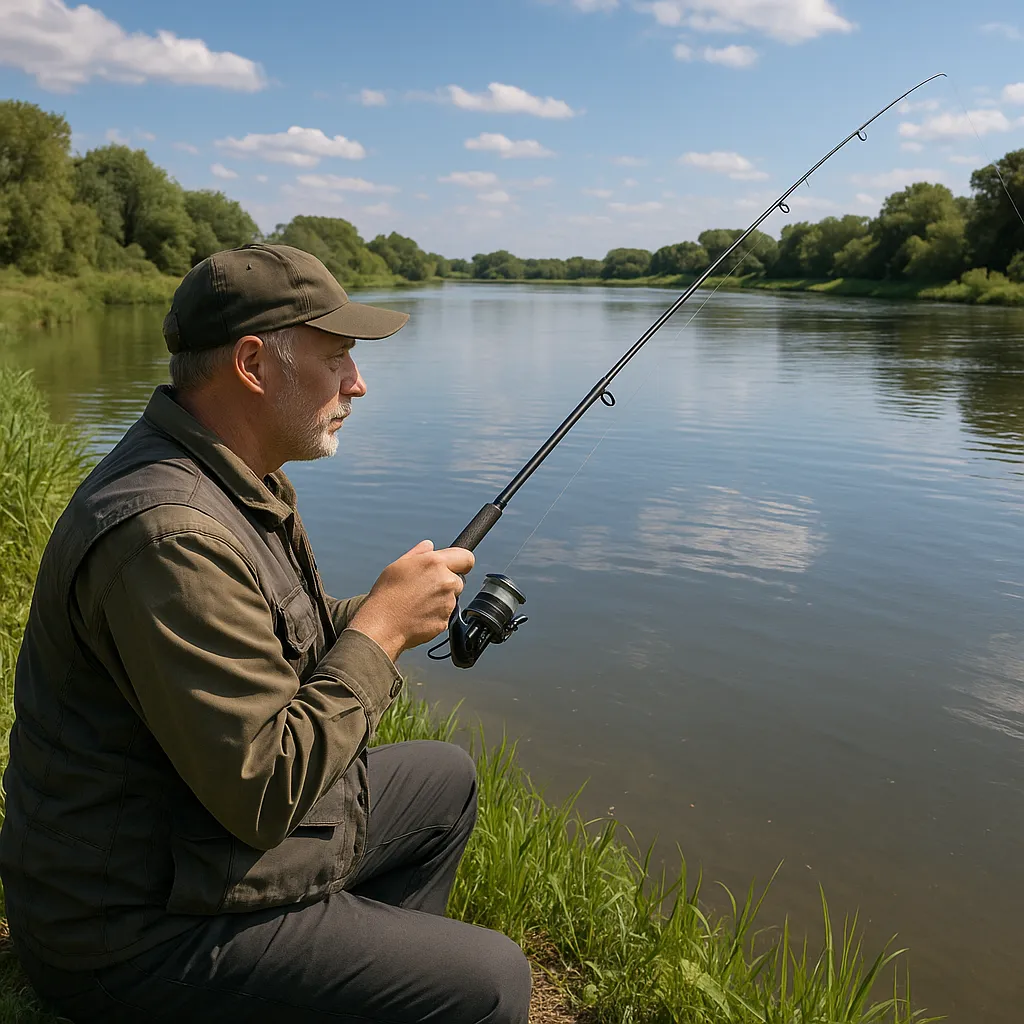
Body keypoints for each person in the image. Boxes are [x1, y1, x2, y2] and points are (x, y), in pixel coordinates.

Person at [0, 243, 533, 1023]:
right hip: (128, 930)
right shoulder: (168, 533)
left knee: (443, 782)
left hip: (189, 850)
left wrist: (390, 607)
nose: (358, 383)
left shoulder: (233, 478)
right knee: (491, 980)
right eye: (337, 359)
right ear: (252, 364)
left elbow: (277, 636)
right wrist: (381, 634)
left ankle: (374, 987)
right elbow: (262, 789)